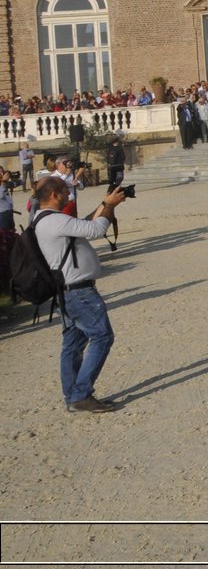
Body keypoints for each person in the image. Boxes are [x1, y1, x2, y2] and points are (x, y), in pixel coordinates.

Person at [31, 175, 129, 412]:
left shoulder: (45, 219)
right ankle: (81, 395)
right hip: (79, 292)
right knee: (102, 337)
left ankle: (72, 395)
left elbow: (83, 226)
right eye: (66, 191)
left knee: (73, 344)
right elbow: (95, 231)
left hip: (68, 291)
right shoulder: (55, 221)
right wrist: (109, 206)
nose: (69, 194)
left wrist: (104, 204)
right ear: (55, 195)